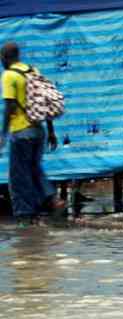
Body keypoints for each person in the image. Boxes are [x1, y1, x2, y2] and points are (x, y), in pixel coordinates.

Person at [1, 42, 62, 226]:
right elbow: (44, 102)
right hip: (39, 130)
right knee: (34, 169)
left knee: (18, 177)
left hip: (21, 131)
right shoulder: (32, 70)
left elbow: (9, 106)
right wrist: (51, 132)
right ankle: (52, 200)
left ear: (5, 57)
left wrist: (3, 134)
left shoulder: (9, 75)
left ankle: (24, 218)